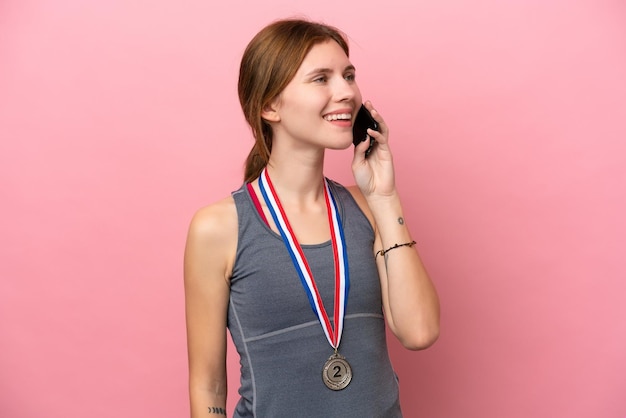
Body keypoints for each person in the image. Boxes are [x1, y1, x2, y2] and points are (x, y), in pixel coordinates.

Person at [184, 18, 440, 418]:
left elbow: (419, 331)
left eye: (348, 75)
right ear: (270, 105)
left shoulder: (368, 207)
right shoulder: (218, 228)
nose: (346, 92)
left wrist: (385, 197)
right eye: (321, 78)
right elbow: (208, 385)